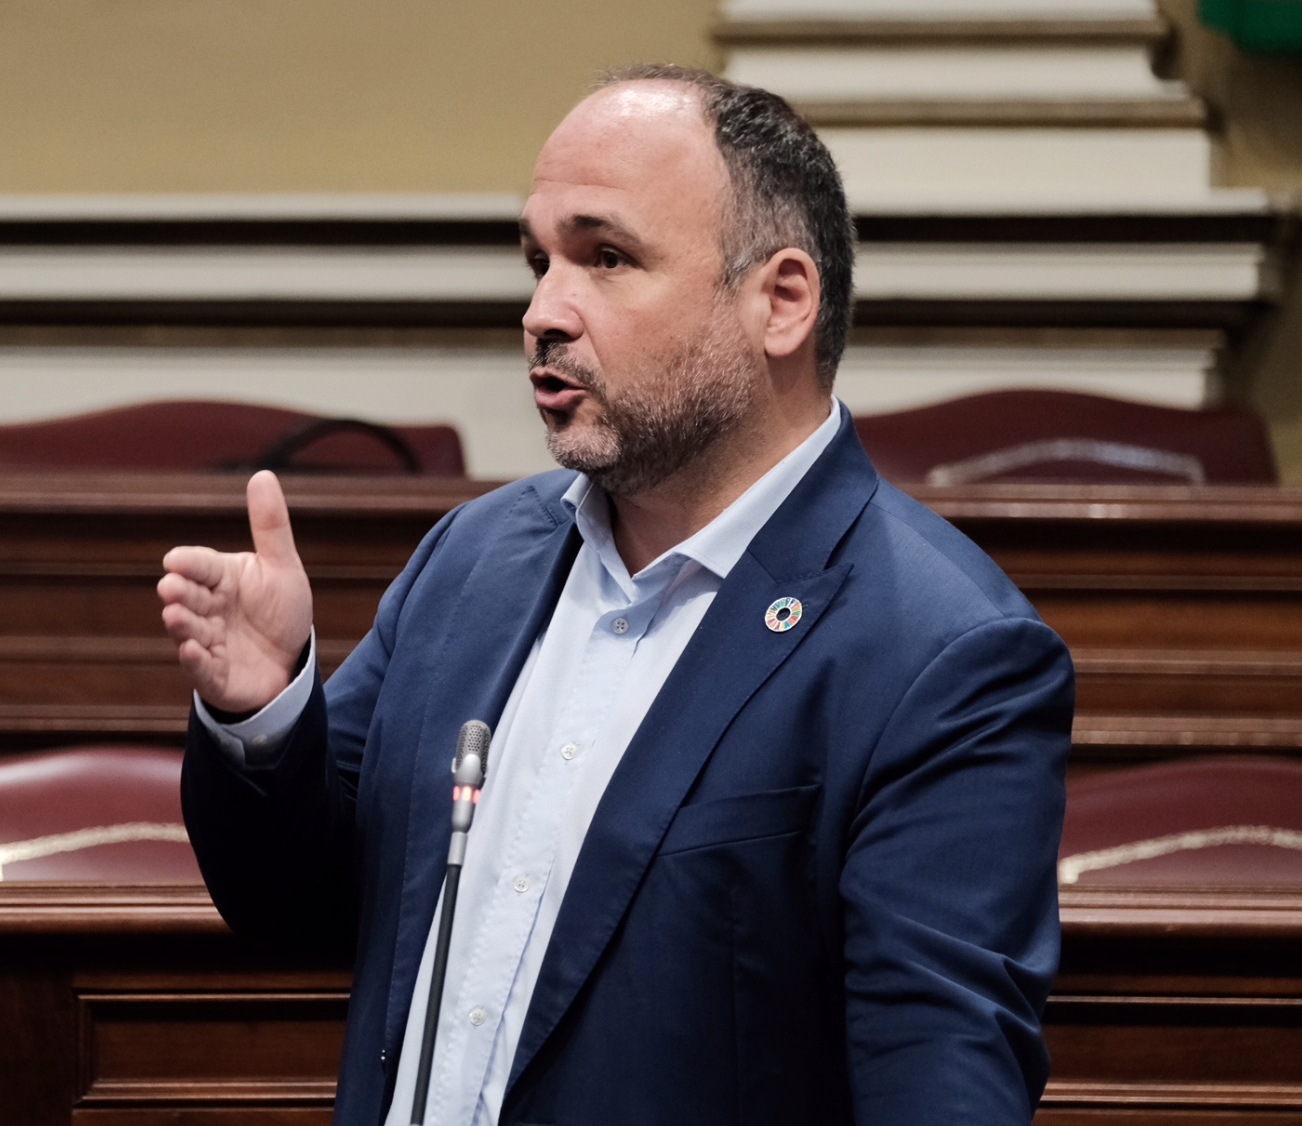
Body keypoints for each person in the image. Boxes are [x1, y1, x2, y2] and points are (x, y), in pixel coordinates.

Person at [158, 63, 1072, 1126]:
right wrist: (264, 714)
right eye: (538, 261)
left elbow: (939, 1086)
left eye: (606, 258)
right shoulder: (474, 558)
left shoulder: (943, 653)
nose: (542, 311)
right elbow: (298, 909)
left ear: (780, 301)